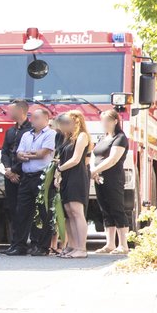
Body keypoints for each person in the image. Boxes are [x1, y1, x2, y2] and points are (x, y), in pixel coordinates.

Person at [5, 107, 57, 256]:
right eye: (32, 118)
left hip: (42, 176)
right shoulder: (26, 135)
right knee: (22, 211)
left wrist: (28, 154)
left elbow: (43, 153)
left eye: (37, 118)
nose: (33, 120)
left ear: (46, 119)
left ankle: (40, 246)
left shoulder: (51, 134)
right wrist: (29, 154)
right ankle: (19, 245)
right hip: (27, 177)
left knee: (42, 212)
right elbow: (18, 154)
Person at [91, 109, 131, 254]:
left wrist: (95, 170)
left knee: (116, 208)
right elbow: (93, 155)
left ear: (115, 121)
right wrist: (93, 169)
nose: (105, 124)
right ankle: (109, 244)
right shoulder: (103, 138)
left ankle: (123, 245)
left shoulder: (120, 138)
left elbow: (113, 159)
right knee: (105, 209)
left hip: (113, 177)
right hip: (99, 177)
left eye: (108, 120)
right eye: (103, 121)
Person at [55, 111, 92, 259]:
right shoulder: (67, 138)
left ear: (76, 122)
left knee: (77, 211)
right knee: (68, 212)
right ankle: (72, 245)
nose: (64, 126)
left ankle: (81, 248)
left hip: (76, 176)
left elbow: (76, 159)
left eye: (67, 122)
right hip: (66, 176)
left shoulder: (82, 136)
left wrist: (60, 169)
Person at [0, 100, 32, 234]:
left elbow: (28, 153)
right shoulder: (11, 131)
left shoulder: (30, 131)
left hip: (23, 174)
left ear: (20, 111)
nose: (8, 112)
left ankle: (24, 240)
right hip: (10, 174)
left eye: (11, 110)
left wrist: (14, 170)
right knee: (11, 207)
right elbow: (5, 151)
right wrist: (8, 169)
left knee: (25, 209)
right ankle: (15, 240)